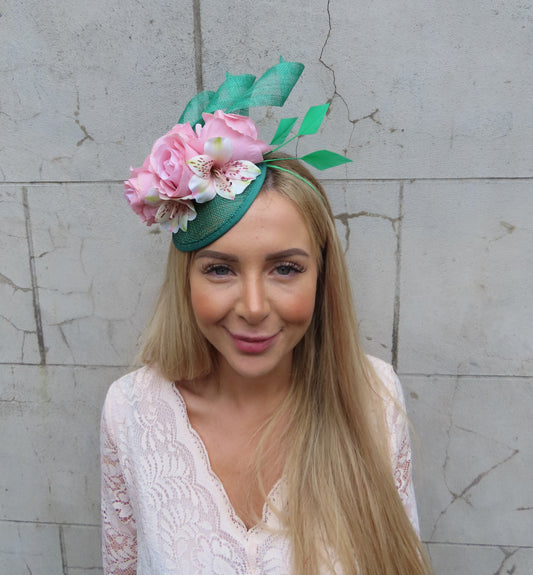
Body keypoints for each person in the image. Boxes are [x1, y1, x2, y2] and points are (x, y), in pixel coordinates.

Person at [101, 59, 433, 575]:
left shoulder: (373, 397)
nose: (254, 308)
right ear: (185, 279)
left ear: (321, 277)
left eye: (285, 268)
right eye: (220, 269)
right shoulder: (131, 412)